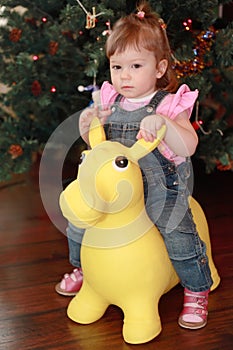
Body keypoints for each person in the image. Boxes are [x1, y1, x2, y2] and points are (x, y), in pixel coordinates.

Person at [55, 1, 213, 330]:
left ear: (159, 68)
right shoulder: (110, 100)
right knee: (79, 220)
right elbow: (95, 144)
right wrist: (88, 121)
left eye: (136, 66)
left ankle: (196, 288)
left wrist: (165, 125)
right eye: (117, 67)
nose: (124, 76)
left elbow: (190, 146)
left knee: (175, 228)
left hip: (159, 183)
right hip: (114, 185)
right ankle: (86, 270)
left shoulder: (170, 104)